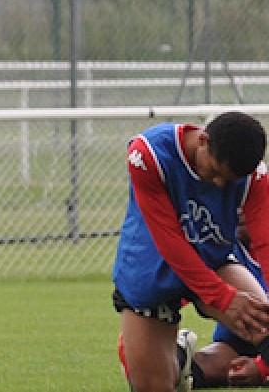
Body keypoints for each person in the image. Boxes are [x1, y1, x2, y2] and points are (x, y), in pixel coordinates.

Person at [113, 111, 269, 391]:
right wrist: (223, 298)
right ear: (203, 141)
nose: (220, 185)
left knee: (264, 323)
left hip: (214, 262)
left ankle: (181, 357)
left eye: (229, 180)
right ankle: (168, 356)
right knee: (154, 386)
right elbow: (170, 243)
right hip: (152, 269)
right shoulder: (149, 155)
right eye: (216, 173)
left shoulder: (254, 175)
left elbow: (266, 242)